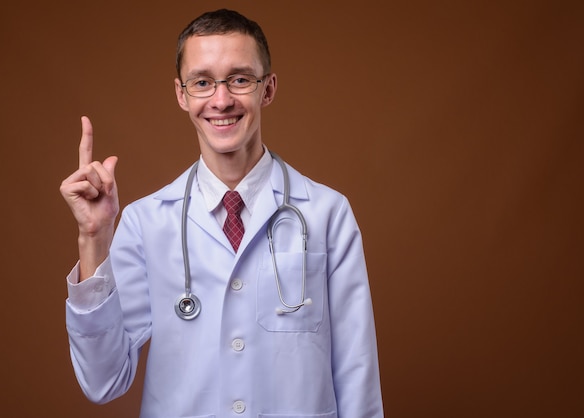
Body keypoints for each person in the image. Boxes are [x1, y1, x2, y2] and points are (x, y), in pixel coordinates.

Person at [60, 9, 383, 418]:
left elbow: (357, 373)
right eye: (202, 82)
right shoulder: (147, 223)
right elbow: (103, 381)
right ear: (181, 94)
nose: (221, 99)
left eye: (240, 79)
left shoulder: (327, 214)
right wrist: (93, 238)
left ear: (268, 89)